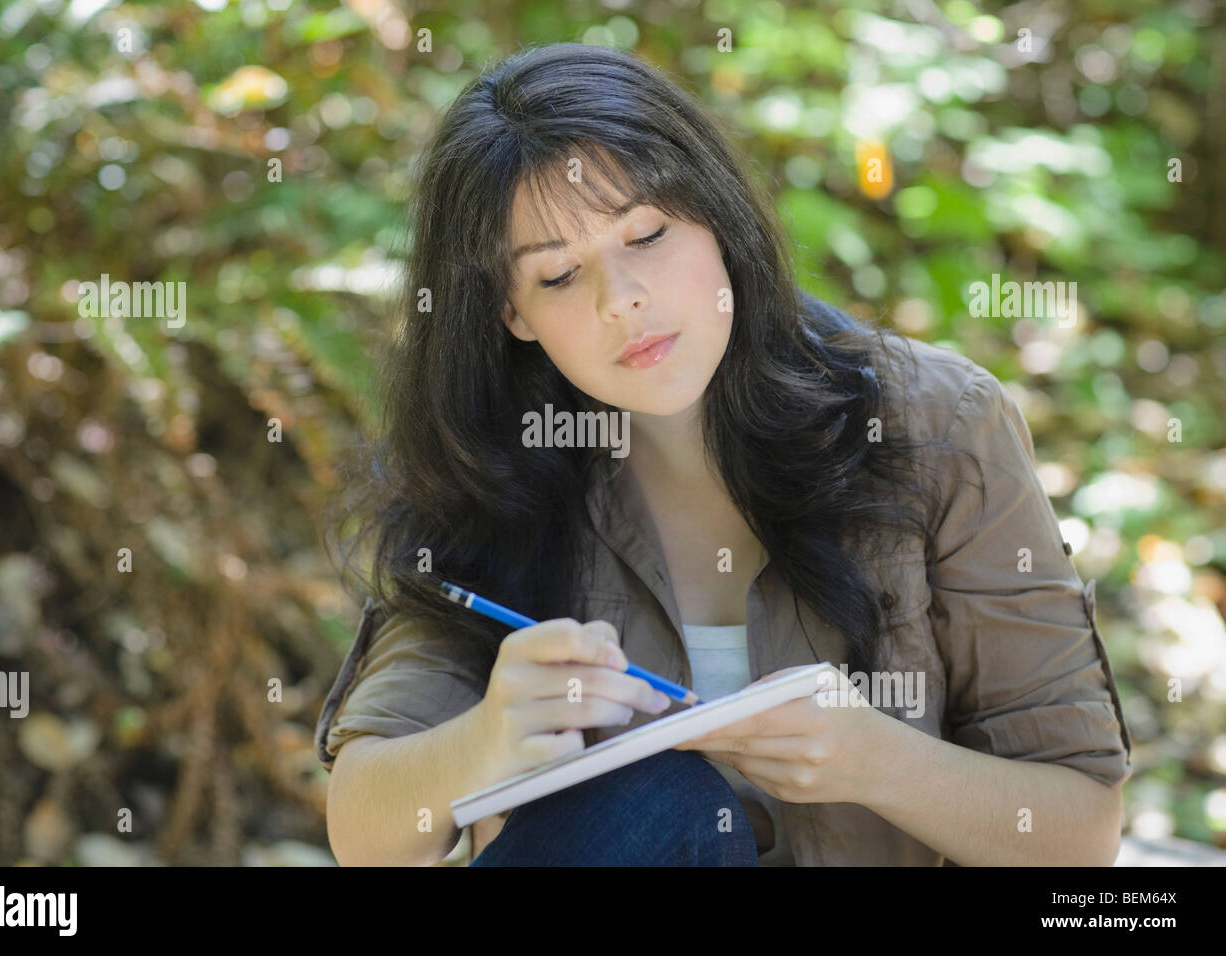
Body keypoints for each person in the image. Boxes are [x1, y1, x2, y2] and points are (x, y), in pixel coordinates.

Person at [317, 42, 1132, 867]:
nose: (622, 301)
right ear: (511, 313)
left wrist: (877, 760)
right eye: (560, 276)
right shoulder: (492, 461)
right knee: (654, 800)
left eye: (647, 234)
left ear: (718, 218)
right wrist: (483, 738)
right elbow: (363, 831)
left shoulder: (941, 424)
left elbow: (1079, 832)